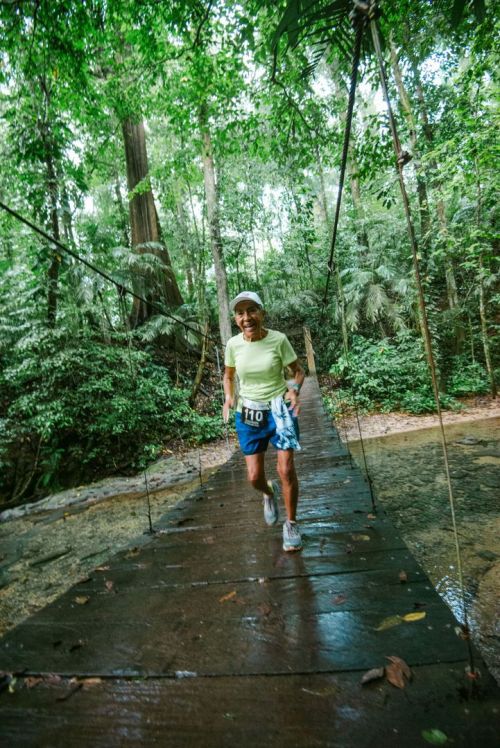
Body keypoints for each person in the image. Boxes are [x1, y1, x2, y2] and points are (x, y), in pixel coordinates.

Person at [223, 291, 305, 552]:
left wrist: (294, 389)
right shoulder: (233, 345)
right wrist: (228, 397)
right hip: (248, 413)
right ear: (236, 319)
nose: (246, 317)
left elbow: (298, 371)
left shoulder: (278, 340)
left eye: (252, 311)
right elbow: (228, 376)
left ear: (262, 313)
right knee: (254, 478)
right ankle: (269, 492)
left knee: (286, 470)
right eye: (240, 313)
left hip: (280, 409)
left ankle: (291, 523)